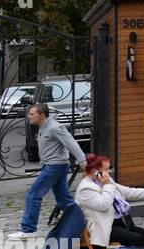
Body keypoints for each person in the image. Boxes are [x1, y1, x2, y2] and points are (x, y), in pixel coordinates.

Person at [67, 154, 144, 249]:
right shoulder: (85, 189)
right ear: (95, 171)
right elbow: (104, 204)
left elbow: (127, 191)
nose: (110, 171)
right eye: (107, 169)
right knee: (138, 239)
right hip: (102, 228)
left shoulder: (104, 181)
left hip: (118, 223)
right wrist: (107, 186)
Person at [10, 103, 87, 240]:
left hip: (55, 166)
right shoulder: (43, 127)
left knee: (33, 194)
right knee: (63, 199)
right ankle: (82, 221)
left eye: (32, 114)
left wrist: (82, 161)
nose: (29, 116)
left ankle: (28, 229)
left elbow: (71, 143)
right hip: (52, 166)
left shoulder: (55, 127)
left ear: (41, 115)